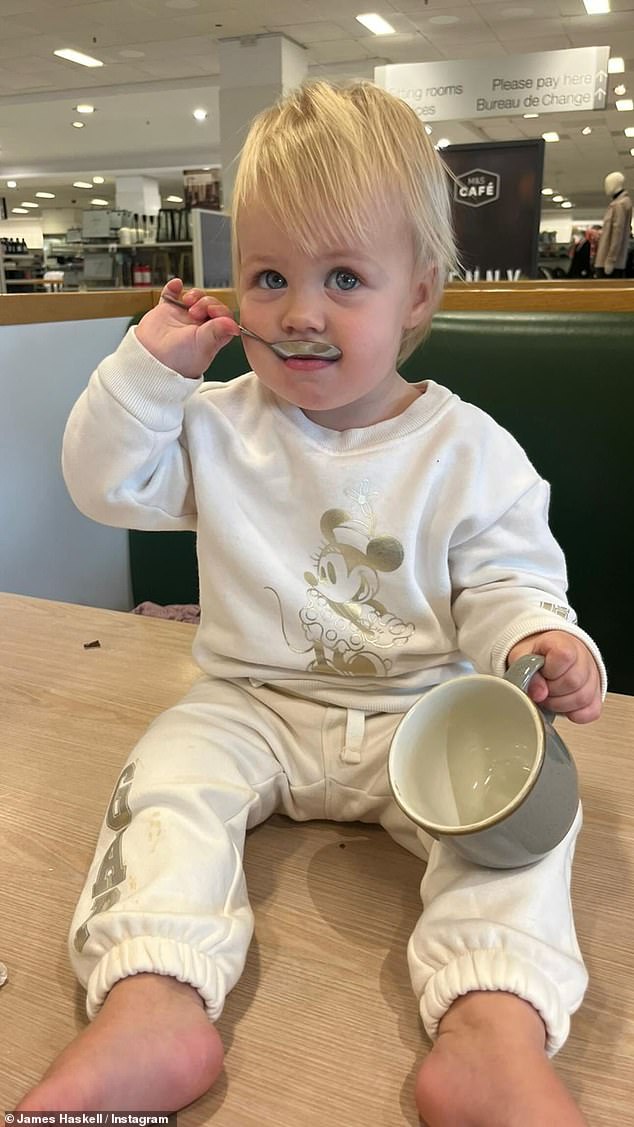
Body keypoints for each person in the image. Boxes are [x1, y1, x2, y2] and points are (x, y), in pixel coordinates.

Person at [17, 81, 604, 1124]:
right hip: (250, 702)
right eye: (269, 275)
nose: (298, 311)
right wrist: (149, 375)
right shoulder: (217, 425)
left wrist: (536, 637)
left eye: (344, 277)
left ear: (415, 296)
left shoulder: (468, 451)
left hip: (420, 721)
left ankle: (490, 1025)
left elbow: (508, 577)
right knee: (167, 781)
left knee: (530, 825)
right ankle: (154, 994)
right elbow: (103, 484)